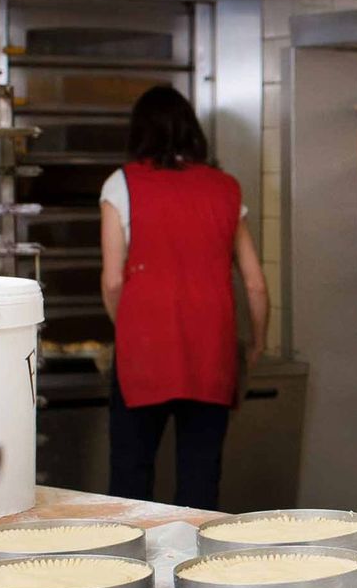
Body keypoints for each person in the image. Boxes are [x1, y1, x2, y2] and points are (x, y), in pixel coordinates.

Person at [99, 85, 269, 510]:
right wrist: (259, 342)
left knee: (130, 475)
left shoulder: (121, 185)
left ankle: (128, 567)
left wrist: (129, 330)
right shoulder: (226, 187)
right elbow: (254, 283)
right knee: (200, 477)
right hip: (211, 349)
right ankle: (195, 569)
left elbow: (113, 280)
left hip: (143, 350)